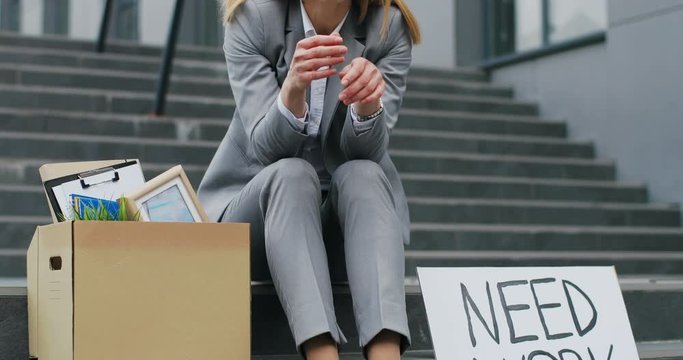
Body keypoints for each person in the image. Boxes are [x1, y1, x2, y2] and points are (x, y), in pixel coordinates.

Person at [197, 0, 421, 359]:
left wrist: (367, 106)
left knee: (365, 174)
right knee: (292, 173)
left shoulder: (388, 29)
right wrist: (293, 90)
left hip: (341, 232)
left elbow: (366, 153)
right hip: (257, 223)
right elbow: (266, 150)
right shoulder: (251, 18)